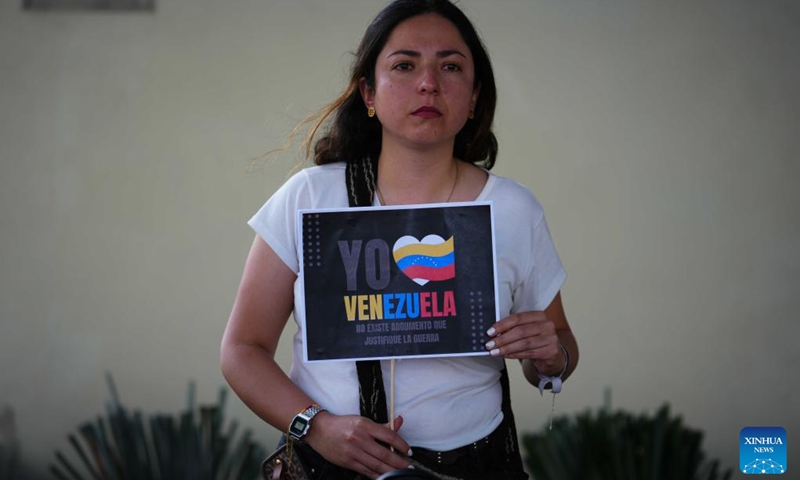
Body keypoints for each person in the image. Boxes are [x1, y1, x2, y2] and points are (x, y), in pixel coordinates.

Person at [220, 1, 579, 479]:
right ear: (368, 92)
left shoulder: (513, 210)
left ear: (474, 97)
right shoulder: (309, 197)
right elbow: (242, 350)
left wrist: (550, 356)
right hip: (330, 464)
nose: (428, 82)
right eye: (405, 65)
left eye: (450, 66)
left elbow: (557, 348)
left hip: (477, 463)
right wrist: (317, 426)